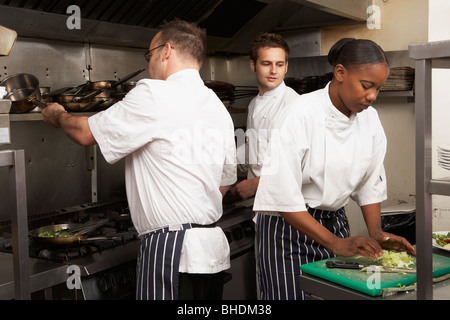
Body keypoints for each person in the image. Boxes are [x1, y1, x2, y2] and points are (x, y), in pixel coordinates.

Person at [41, 19, 237, 300]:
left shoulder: (153, 92)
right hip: (211, 251)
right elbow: (224, 182)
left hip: (172, 251)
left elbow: (85, 133)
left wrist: (58, 115)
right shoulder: (217, 108)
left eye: (150, 55)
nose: (149, 64)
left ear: (166, 50)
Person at [252, 38, 416, 300]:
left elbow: (370, 182)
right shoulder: (300, 112)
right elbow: (282, 195)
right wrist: (333, 242)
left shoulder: (370, 119)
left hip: (336, 223)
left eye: (378, 88)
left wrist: (376, 233)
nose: (372, 96)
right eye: (366, 85)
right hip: (288, 231)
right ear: (340, 73)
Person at [231, 32, 300, 200]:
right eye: (266, 63)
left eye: (279, 64)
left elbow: (298, 165)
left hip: (286, 203)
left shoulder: (294, 105)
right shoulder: (254, 103)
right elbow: (257, 148)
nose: (273, 71)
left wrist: (254, 184)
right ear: (253, 65)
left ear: (286, 67)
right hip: (262, 204)